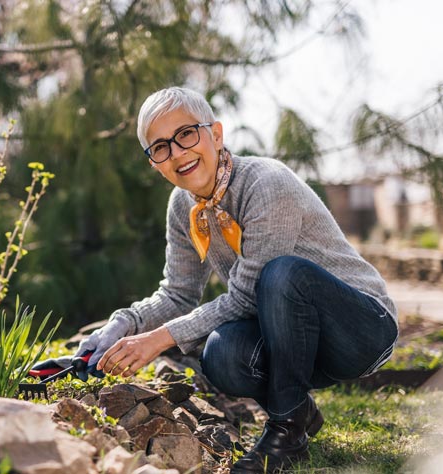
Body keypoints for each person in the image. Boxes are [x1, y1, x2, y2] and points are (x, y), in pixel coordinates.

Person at [36, 86, 398, 473]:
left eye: (186, 134)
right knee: (221, 354)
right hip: (299, 340)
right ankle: (297, 408)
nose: (177, 153)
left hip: (361, 330)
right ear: (154, 164)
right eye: (160, 147)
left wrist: (158, 340)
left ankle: (286, 435)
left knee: (281, 274)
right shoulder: (182, 207)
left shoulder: (266, 183)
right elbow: (177, 294)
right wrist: (123, 324)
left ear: (217, 134)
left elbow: (246, 296)